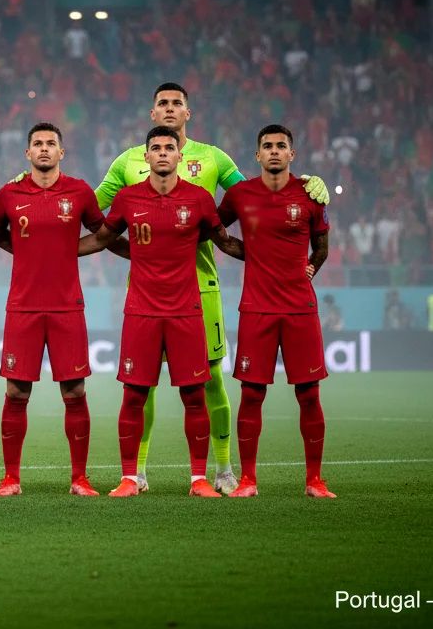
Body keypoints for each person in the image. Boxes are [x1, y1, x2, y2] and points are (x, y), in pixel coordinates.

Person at [90, 83, 330, 494]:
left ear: (188, 113)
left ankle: (222, 471)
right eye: (161, 103)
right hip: (146, 289)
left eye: (176, 103)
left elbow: (255, 194)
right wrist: (44, 189)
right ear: (151, 116)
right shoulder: (128, 161)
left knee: (211, 381)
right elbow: (91, 213)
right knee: (139, 387)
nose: (169, 108)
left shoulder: (214, 157)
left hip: (202, 288)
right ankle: (138, 474)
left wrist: (307, 184)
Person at [78, 125, 244, 497]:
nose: (164, 153)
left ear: (180, 156)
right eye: (156, 148)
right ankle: (129, 479)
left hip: (187, 311)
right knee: (134, 395)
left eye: (170, 147)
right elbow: (103, 238)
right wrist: (52, 250)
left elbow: (226, 243)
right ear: (147, 156)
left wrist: (274, 258)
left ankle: (199, 480)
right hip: (141, 311)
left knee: (194, 395)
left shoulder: (201, 200)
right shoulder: (127, 199)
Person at [0, 122, 104, 496]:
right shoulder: (9, 194)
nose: (44, 149)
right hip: (23, 307)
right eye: (38, 144)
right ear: (27, 153)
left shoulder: (79, 192)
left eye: (51, 144)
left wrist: (68, 249)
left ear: (62, 152)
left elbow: (104, 234)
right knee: (16, 393)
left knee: (74, 392)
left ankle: (79, 479)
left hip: (67, 308)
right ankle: (11, 479)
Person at [215, 124, 336, 498]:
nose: (273, 151)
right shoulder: (239, 194)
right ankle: (248, 481)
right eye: (266, 146)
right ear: (257, 155)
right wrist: (252, 255)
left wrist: (311, 267)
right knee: (252, 394)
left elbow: (322, 247)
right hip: (257, 309)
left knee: (309, 395)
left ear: (291, 154)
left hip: (300, 309)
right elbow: (216, 232)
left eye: (280, 146)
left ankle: (315, 481)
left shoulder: (311, 195)